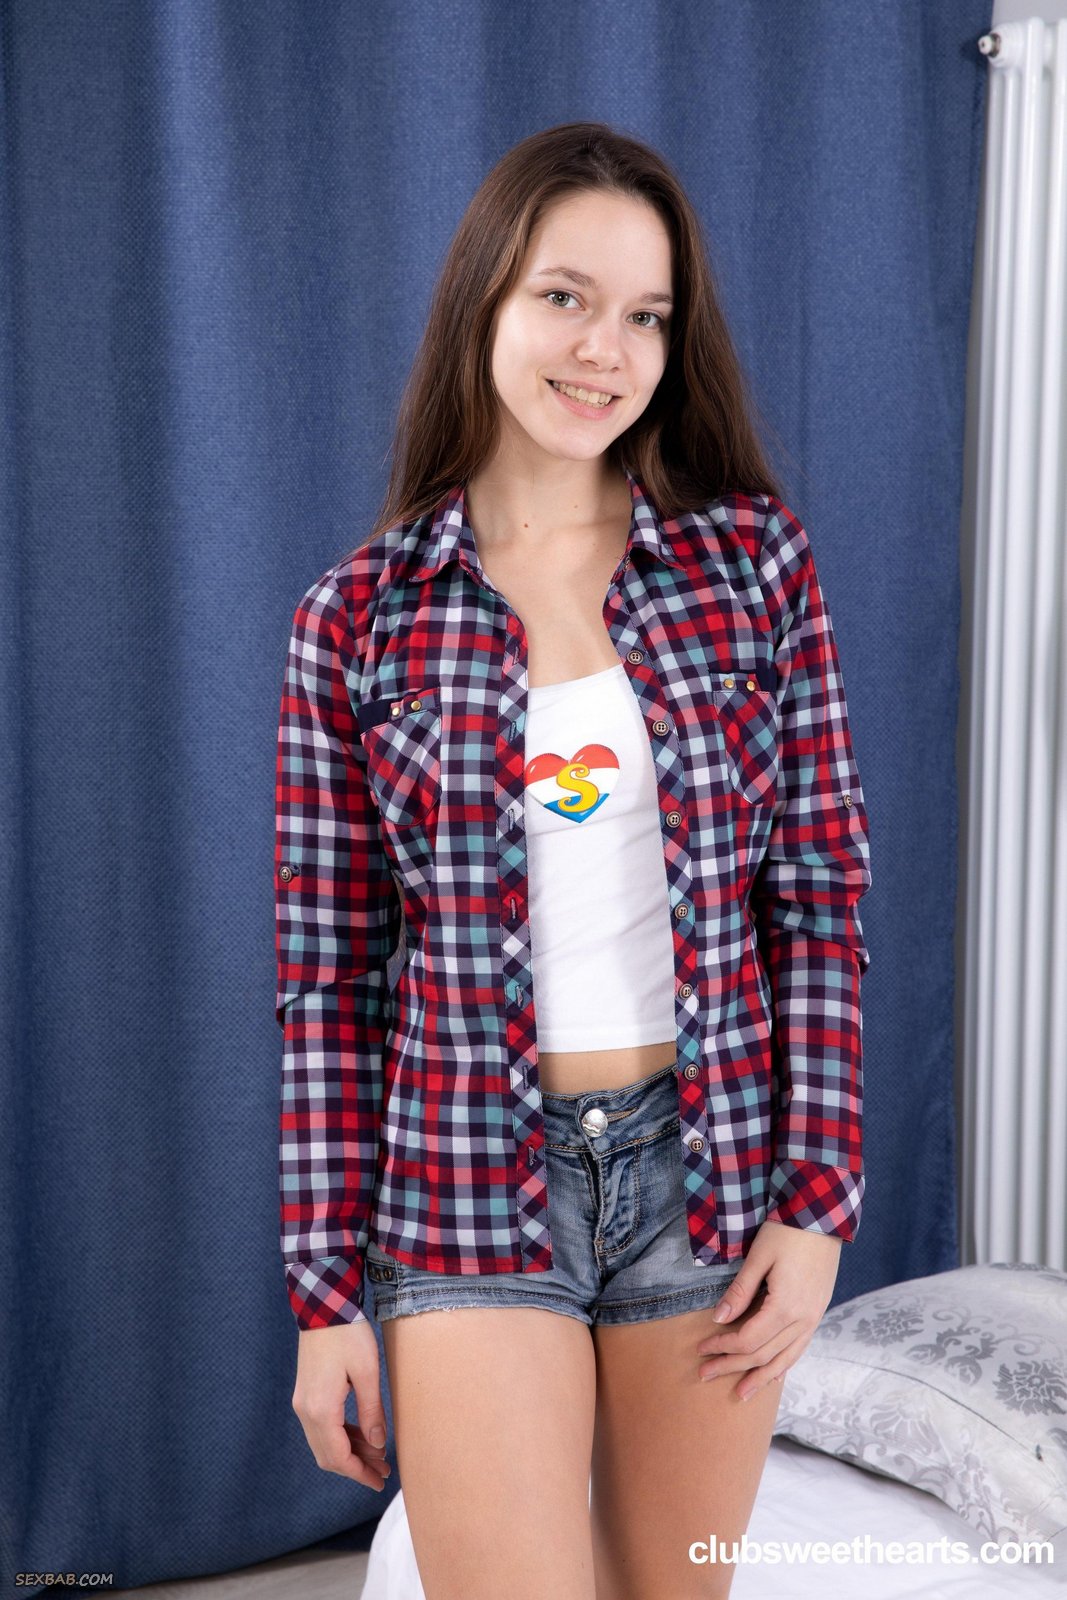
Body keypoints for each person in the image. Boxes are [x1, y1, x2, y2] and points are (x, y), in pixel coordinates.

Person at [274, 121, 872, 1600]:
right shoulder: (356, 619)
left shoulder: (753, 568)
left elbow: (818, 905)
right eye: (565, 297)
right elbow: (328, 980)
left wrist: (817, 1207)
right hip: (467, 1179)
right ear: (484, 298)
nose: (607, 348)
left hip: (707, 1172)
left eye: (647, 315)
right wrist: (324, 1295)